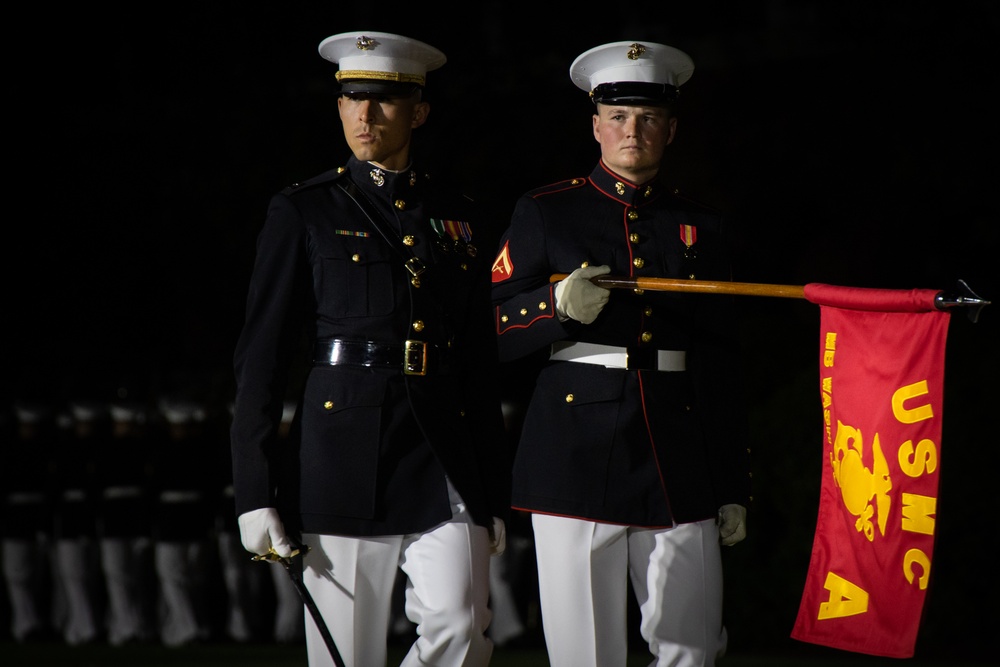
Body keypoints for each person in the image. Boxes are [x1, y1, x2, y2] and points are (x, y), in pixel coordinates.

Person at [230, 30, 511, 667]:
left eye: (383, 101)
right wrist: (254, 490)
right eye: (352, 98)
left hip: (440, 448)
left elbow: (477, 364)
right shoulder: (304, 210)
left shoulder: (457, 215)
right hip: (339, 452)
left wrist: (491, 489)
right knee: (344, 654)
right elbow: (262, 360)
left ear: (418, 111)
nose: (365, 115)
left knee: (463, 628)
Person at [490, 39, 751, 667]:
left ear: (671, 128)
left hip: (678, 451)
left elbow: (720, 362)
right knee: (586, 655)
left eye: (649, 117)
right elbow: (489, 330)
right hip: (574, 453)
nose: (633, 130)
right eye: (618, 117)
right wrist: (553, 310)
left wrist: (732, 479)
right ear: (596, 126)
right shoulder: (547, 211)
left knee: (693, 649)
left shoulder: (703, 225)